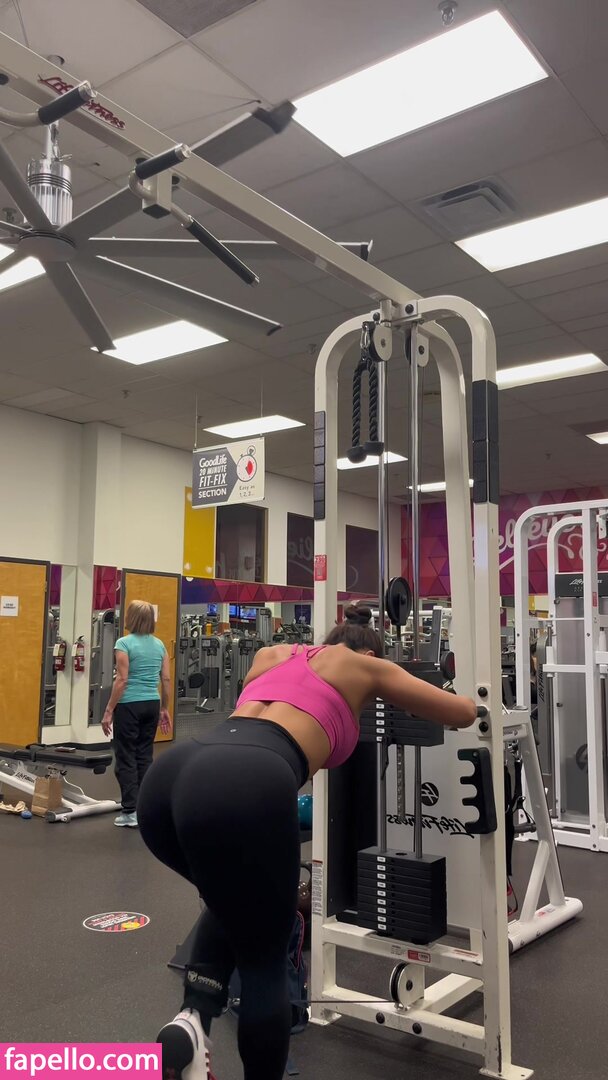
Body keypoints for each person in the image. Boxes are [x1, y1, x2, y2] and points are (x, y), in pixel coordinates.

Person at [137, 604, 476, 1080]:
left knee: (234, 897)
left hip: (171, 778)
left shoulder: (272, 654)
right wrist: (478, 701)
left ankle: (192, 1019)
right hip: (250, 777)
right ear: (368, 652)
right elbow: (461, 712)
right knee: (264, 958)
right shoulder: (365, 664)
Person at [102, 600, 172, 827]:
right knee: (144, 754)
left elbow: (122, 680)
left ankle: (130, 811)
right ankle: (143, 807)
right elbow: (166, 679)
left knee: (126, 756)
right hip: (151, 704)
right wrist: (164, 708)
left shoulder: (124, 643)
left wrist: (108, 710)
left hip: (129, 705)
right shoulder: (160, 645)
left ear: (131, 618)